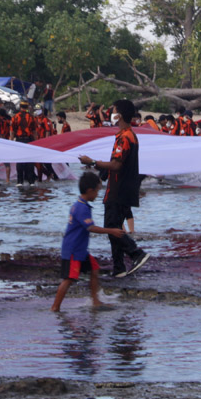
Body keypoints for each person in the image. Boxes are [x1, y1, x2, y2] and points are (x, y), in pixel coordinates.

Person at [78, 98, 150, 278]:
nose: (112, 113)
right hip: (126, 189)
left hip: (118, 189)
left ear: (121, 115)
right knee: (115, 227)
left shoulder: (124, 137)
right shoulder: (130, 135)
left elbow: (116, 165)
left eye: (114, 110)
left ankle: (136, 253)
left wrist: (92, 162)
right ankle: (118, 268)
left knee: (110, 226)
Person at [51, 171, 126, 312]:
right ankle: (55, 307)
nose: (98, 194)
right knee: (69, 279)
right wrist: (112, 231)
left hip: (80, 249)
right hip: (73, 250)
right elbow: (90, 227)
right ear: (90, 191)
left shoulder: (81, 205)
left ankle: (95, 301)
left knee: (94, 269)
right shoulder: (81, 207)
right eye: (97, 191)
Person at [11, 100, 37, 185]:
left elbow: (12, 131)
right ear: (27, 107)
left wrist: (11, 141)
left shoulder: (15, 117)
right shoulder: (31, 117)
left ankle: (20, 181)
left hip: (19, 140)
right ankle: (31, 181)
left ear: (20, 106)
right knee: (30, 160)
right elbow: (34, 131)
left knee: (20, 161)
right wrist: (36, 142)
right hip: (29, 140)